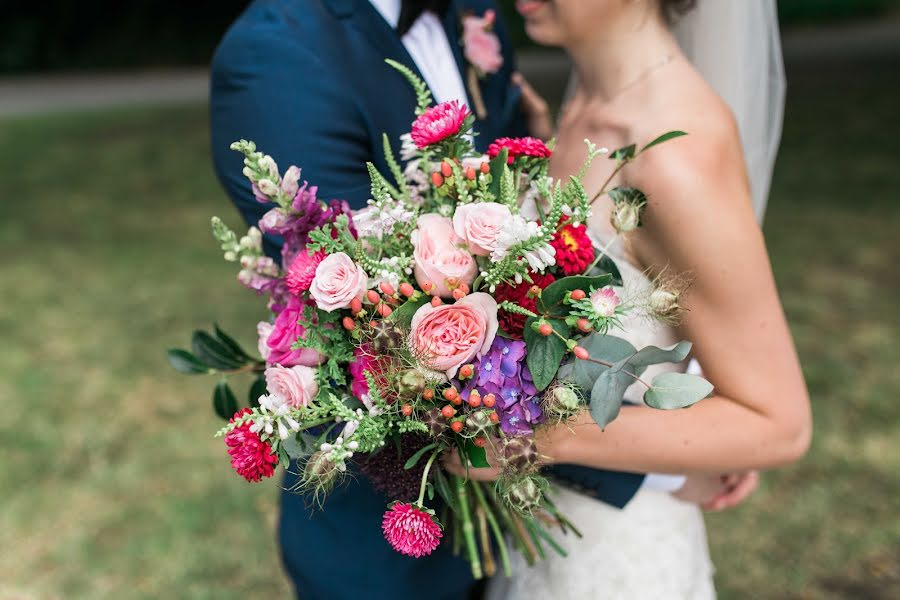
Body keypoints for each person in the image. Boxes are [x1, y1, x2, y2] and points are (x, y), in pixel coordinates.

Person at [210, 1, 752, 598]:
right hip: (397, 553)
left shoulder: (477, 12)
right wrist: (660, 469)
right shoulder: (279, 51)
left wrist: (692, 392)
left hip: (535, 528)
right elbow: (375, 327)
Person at [444, 1, 810, 597]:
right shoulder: (579, 105)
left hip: (615, 561)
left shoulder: (674, 152)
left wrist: (537, 437)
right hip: (539, 541)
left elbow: (779, 423)